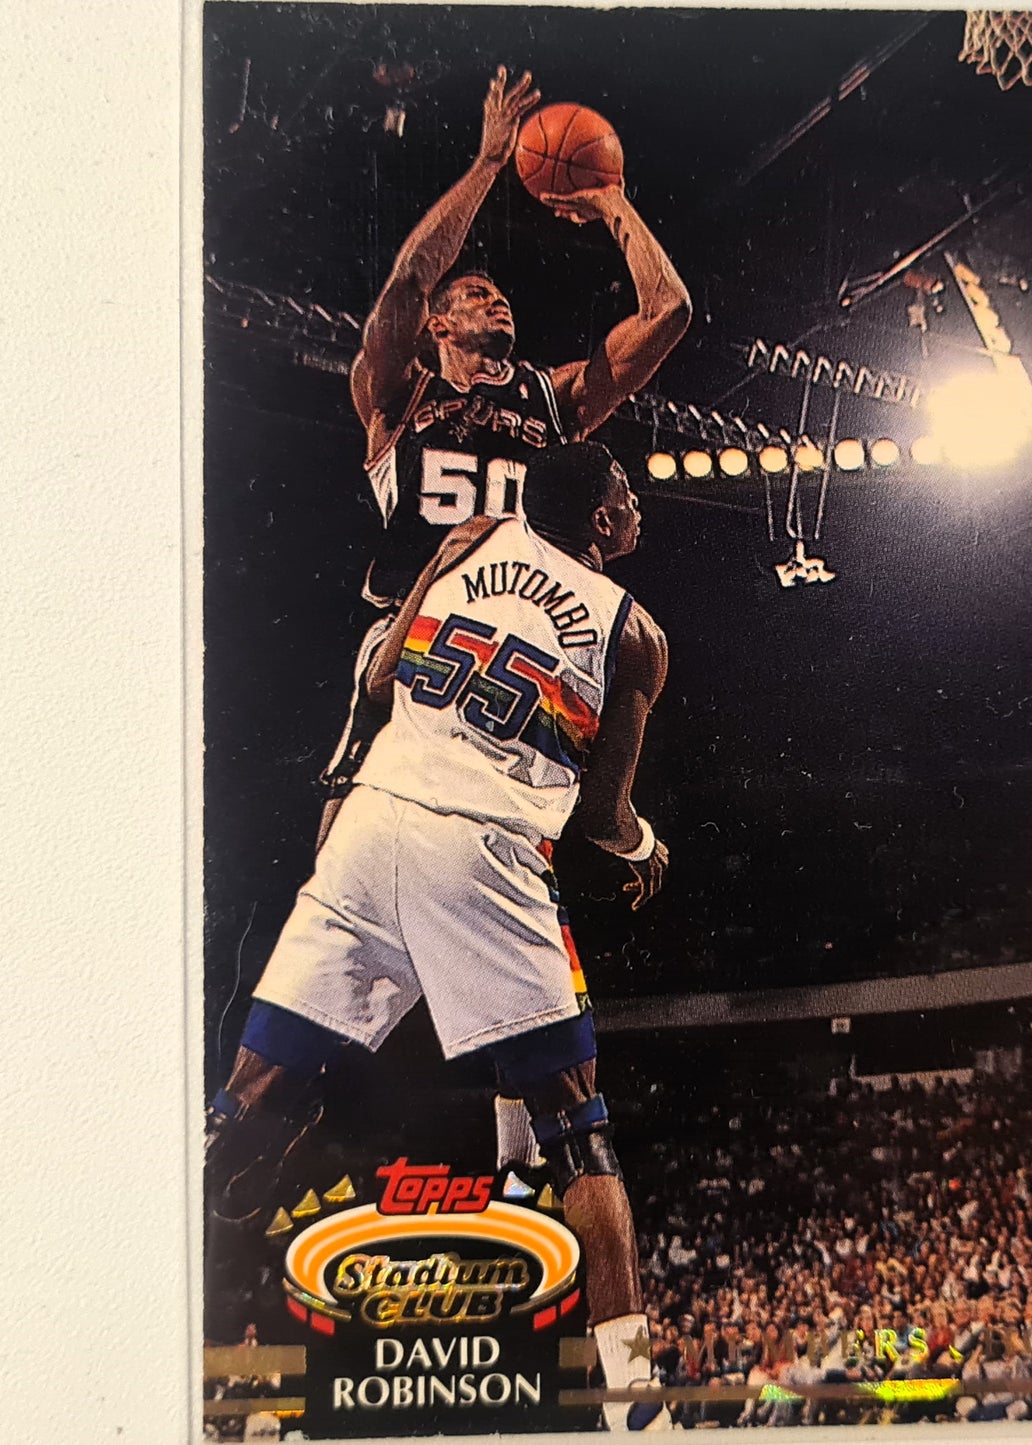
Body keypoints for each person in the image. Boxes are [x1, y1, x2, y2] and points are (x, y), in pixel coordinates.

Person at [209, 442, 673, 1431]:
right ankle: (637, 1404)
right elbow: (601, 816)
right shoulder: (634, 632)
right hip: (481, 847)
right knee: (579, 1124)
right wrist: (644, 846)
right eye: (627, 493)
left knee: (247, 1087)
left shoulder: (471, 538)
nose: (639, 505)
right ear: (600, 518)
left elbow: (383, 674)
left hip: (372, 819)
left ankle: (149, 1251)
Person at [322, 62, 689, 1186]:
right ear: (438, 324)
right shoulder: (399, 396)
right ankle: (295, 1104)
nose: (497, 303)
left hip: (523, 657)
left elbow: (668, 314)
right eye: (475, 294)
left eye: (500, 296)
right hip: (413, 646)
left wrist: (609, 201)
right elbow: (402, 280)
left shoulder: (550, 399)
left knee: (519, 882)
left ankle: (525, 1140)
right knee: (351, 893)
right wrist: (491, 161)